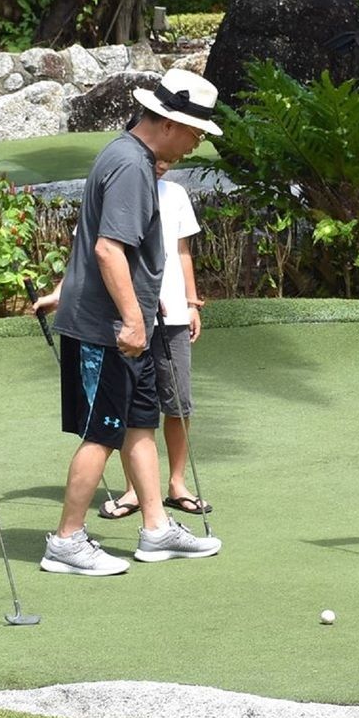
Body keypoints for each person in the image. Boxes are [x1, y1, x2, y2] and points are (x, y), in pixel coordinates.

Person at [39, 68, 224, 575]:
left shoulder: (134, 158)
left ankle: (156, 529)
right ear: (168, 122)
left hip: (127, 328)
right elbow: (107, 250)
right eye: (195, 131)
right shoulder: (130, 166)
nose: (196, 142)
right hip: (107, 330)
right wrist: (133, 321)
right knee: (103, 432)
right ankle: (67, 541)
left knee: (140, 422)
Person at [90, 155, 209, 521]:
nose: (164, 163)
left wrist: (191, 302)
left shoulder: (174, 193)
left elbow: (182, 251)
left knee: (178, 403)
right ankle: (135, 489)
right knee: (131, 406)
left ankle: (176, 483)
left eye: (171, 158)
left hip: (172, 313)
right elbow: (102, 252)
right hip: (132, 318)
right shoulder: (115, 190)